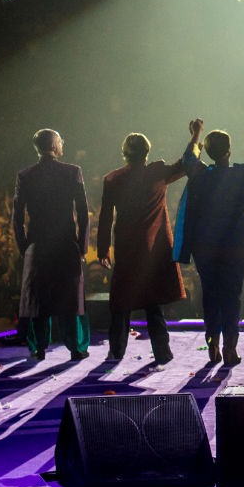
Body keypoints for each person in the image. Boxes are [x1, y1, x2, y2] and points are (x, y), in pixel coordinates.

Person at [176, 116, 244, 366]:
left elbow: (189, 158)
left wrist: (196, 134)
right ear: (229, 151)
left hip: (205, 248)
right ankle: (230, 348)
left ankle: (213, 345)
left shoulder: (200, 174)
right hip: (234, 247)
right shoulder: (239, 175)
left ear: (208, 152)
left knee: (210, 294)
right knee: (232, 296)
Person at [96, 130, 190, 364]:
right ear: (147, 153)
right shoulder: (156, 173)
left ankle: (116, 351)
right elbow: (184, 164)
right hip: (151, 248)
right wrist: (194, 137)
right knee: (152, 300)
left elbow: (106, 217)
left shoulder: (112, 179)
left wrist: (103, 249)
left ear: (124, 154)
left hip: (127, 247)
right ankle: (162, 352)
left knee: (120, 301)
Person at [11, 128, 91, 361]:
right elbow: (83, 212)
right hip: (66, 242)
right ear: (55, 145)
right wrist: (82, 245)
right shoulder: (72, 172)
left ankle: (38, 348)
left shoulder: (25, 175)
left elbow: (17, 217)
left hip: (37, 243)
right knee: (70, 297)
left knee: (38, 299)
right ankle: (75, 347)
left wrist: (24, 247)